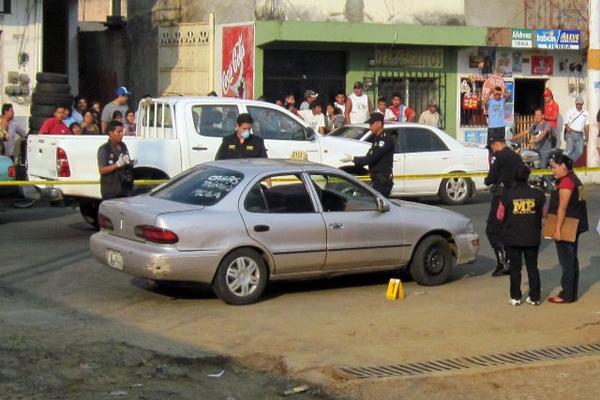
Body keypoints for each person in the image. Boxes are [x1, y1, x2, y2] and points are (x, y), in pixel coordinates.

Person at [497, 164, 545, 306]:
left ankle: (515, 297)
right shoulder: (538, 194)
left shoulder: (507, 194)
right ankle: (535, 297)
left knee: (515, 268)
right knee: (532, 267)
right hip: (532, 237)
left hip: (512, 237)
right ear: (528, 176)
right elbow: (544, 214)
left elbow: (500, 215)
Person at [547, 149, 588, 304]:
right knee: (571, 260)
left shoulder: (566, 182)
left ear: (563, 166)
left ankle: (567, 295)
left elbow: (562, 208)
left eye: (554, 167)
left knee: (567, 262)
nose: (553, 170)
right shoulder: (575, 180)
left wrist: (557, 230)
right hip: (576, 225)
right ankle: (570, 292)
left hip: (567, 227)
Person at [484, 128, 523, 277]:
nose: (492, 150)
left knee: (492, 230)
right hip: (515, 196)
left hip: (501, 197)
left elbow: (491, 178)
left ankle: (502, 261)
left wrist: (487, 180)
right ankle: (510, 259)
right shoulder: (516, 156)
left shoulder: (499, 156)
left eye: (492, 147)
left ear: (496, 144)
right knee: (508, 229)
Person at [341, 113, 394, 197]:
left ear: (379, 124)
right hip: (376, 179)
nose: (370, 127)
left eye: (371, 124)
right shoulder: (377, 139)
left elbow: (371, 158)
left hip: (382, 181)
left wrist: (353, 159)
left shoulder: (385, 139)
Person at [97, 120, 134, 200]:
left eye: (122, 132)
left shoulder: (123, 145)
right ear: (111, 133)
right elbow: (102, 170)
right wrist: (117, 164)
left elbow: (126, 160)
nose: (121, 134)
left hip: (124, 188)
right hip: (111, 190)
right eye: (118, 132)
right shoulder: (104, 149)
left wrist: (130, 163)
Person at [483, 86, 510, 151]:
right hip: (492, 127)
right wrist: (489, 93)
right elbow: (483, 102)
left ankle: (501, 159)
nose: (497, 96)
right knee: (490, 146)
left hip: (501, 127)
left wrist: (499, 91)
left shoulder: (502, 100)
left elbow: (508, 95)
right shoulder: (490, 101)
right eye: (495, 94)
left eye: (498, 94)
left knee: (501, 145)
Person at [563, 96, 589, 162]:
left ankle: (568, 161)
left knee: (579, 151)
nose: (578, 105)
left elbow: (586, 126)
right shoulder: (570, 111)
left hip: (580, 134)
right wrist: (567, 128)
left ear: (582, 104)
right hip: (571, 132)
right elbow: (566, 122)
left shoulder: (585, 113)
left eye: (580, 104)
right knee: (569, 150)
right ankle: (562, 162)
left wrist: (587, 136)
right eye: (577, 104)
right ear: (575, 103)